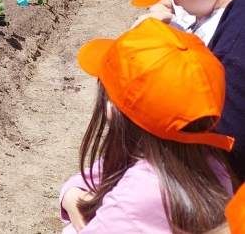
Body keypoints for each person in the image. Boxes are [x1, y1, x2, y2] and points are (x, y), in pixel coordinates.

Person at [59, 19, 235, 233]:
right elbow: (102, 170)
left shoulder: (134, 200)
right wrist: (70, 195)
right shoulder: (210, 161)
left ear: (111, 111)